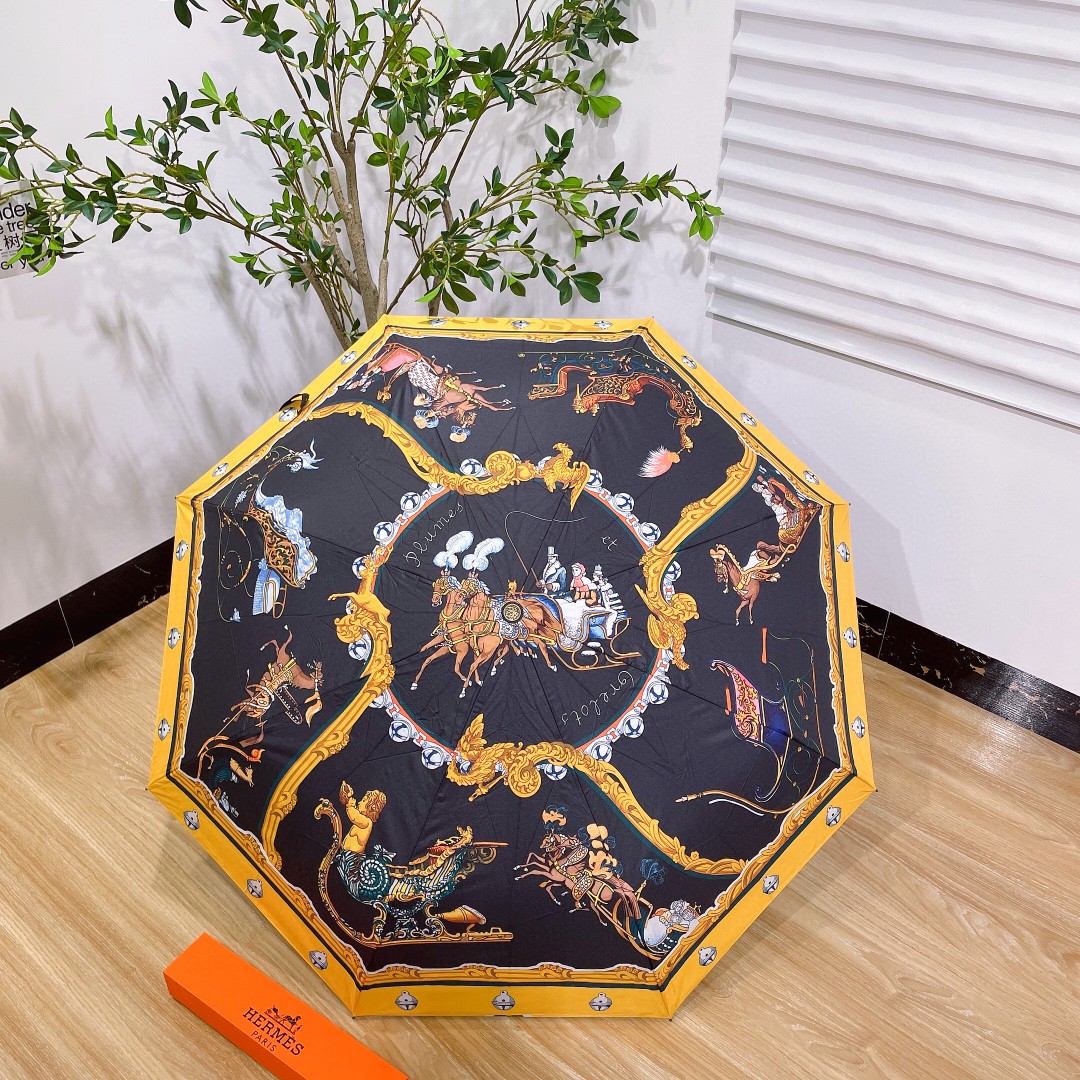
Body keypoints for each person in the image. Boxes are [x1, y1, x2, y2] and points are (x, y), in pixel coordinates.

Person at [339, 782, 388, 855]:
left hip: (352, 857)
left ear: (372, 807)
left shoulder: (367, 822)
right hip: (345, 854)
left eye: (363, 800)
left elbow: (354, 817)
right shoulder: (361, 821)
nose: (359, 802)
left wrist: (350, 805)